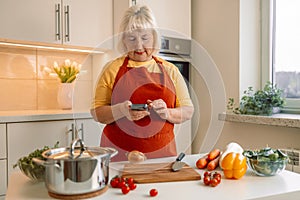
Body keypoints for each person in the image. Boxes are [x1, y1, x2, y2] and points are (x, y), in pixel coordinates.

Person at [90, 5, 194, 161]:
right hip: (119, 157)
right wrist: (120, 111)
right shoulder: (112, 69)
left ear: (154, 37)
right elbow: (97, 113)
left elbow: (188, 111)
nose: (139, 46)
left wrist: (167, 113)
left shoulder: (170, 70)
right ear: (124, 40)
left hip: (162, 157)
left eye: (144, 38)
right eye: (132, 39)